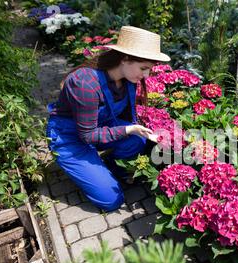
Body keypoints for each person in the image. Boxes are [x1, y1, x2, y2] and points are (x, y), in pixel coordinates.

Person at [46, 26, 170, 212]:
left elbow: (126, 116)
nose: (146, 76)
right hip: (70, 137)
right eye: (143, 68)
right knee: (111, 200)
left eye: (149, 70)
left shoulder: (127, 78)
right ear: (124, 58)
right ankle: (90, 170)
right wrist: (129, 129)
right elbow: (87, 135)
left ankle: (105, 169)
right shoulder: (84, 83)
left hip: (100, 127)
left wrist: (143, 132)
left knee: (137, 140)